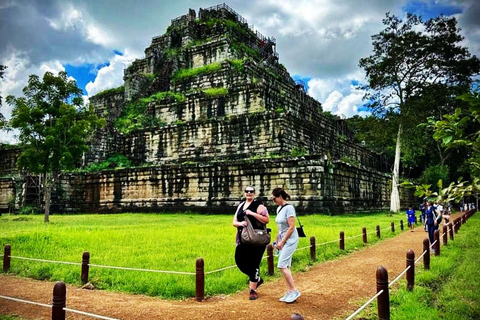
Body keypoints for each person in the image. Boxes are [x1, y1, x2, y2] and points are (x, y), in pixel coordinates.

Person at [232, 186, 269, 300]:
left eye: (251, 191)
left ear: (254, 193)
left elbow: (266, 219)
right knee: (239, 261)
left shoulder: (258, 205)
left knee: (254, 263)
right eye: (247, 191)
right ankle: (256, 279)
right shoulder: (241, 205)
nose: (249, 193)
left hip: (257, 240)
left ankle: (252, 290)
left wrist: (252, 214)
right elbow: (234, 222)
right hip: (243, 239)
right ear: (244, 193)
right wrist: (240, 223)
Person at [272, 187, 301, 303]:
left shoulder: (289, 208)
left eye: (274, 199)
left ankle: (294, 290)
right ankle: (289, 291)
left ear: (280, 197)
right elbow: (280, 228)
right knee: (286, 265)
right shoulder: (279, 209)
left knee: (282, 265)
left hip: (291, 240)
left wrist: (282, 241)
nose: (273, 201)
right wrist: (276, 240)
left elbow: (291, 227)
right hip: (283, 239)